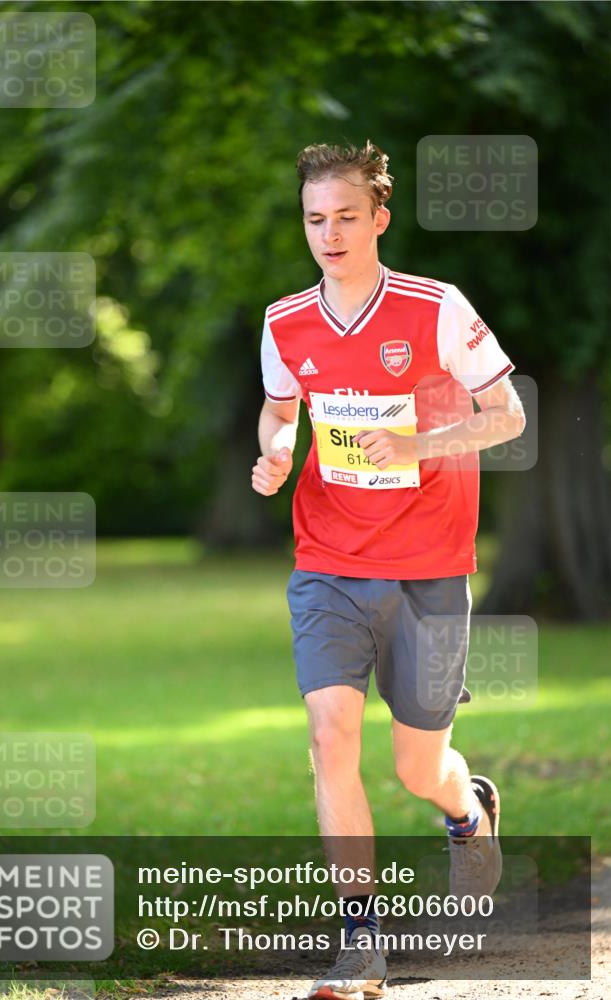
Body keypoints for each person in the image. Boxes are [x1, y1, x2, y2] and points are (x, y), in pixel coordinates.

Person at [251, 141, 526, 1000]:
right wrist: (276, 449)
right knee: (330, 739)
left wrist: (416, 444)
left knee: (417, 768)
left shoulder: (435, 309)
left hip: (428, 568)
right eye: (312, 218)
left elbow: (506, 416)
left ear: (378, 218)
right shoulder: (284, 320)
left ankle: (465, 809)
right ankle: (358, 942)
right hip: (327, 561)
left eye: (343, 216)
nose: (327, 234)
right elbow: (277, 408)